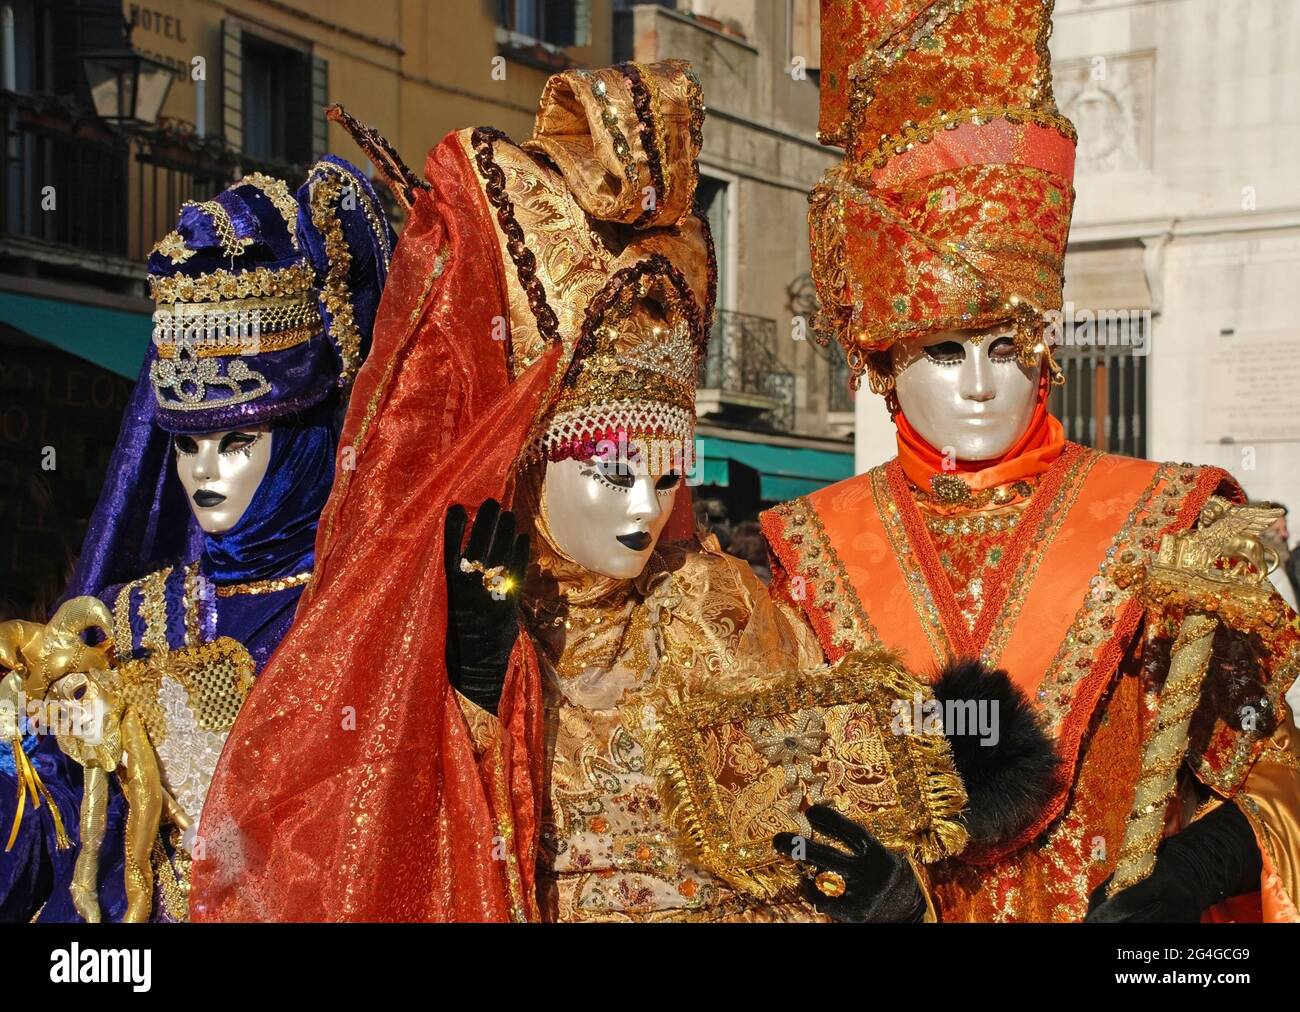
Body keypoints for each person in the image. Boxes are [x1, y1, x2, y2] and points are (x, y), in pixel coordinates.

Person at [188, 66, 1056, 923]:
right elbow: (372, 859)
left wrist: (891, 898)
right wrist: (475, 691)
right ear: (531, 464)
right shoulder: (457, 623)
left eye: (667, 472)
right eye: (610, 472)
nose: (645, 507)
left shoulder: (721, 611)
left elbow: (833, 813)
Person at [761, 0, 1300, 922]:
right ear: (887, 363)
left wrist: (1197, 870)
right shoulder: (801, 556)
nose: (980, 385)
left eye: (1004, 349)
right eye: (945, 350)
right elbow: (771, 812)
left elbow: (1272, 765)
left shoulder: (1170, 526)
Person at [0, 161, 392, 923]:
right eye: (189, 444)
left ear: (306, 444)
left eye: (239, 439)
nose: (205, 471)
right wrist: (26, 733)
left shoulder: (371, 612)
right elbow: (44, 826)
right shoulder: (120, 623)